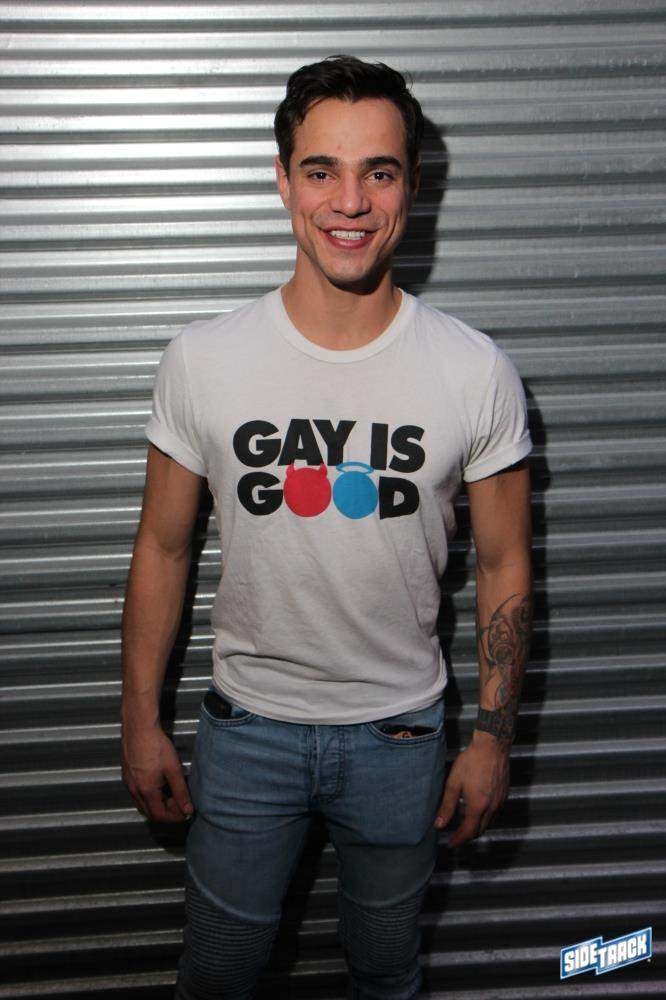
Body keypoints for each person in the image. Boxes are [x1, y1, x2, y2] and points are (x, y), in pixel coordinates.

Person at [120, 54, 532, 1000]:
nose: (350, 202)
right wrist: (140, 721)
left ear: (412, 185)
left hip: (401, 738)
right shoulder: (204, 360)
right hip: (247, 732)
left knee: (386, 971)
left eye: (378, 172)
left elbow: (506, 563)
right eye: (321, 170)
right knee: (218, 975)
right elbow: (163, 548)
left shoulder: (473, 370)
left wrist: (493, 738)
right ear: (282, 179)